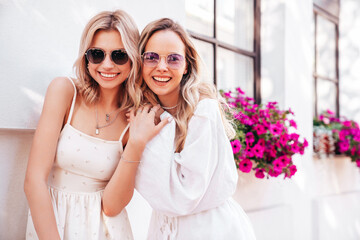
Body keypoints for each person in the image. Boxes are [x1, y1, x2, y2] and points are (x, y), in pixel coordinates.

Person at [24, 10, 170, 240]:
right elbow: (33, 182)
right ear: (86, 57)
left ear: (133, 58)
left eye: (119, 55)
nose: (107, 64)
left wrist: (136, 142)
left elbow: (112, 206)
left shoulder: (135, 120)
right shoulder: (64, 92)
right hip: (52, 224)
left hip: (107, 231)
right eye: (97, 54)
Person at [134, 18, 257, 239]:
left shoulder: (203, 110)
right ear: (140, 62)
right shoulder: (141, 114)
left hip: (210, 229)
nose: (162, 67)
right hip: (163, 229)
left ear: (186, 65)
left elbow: (184, 195)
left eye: (173, 59)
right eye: (151, 57)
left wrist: (155, 123)